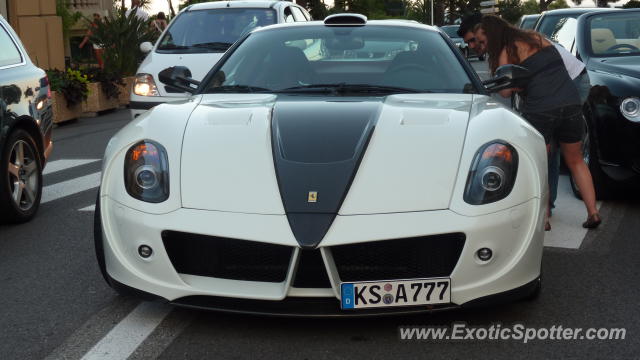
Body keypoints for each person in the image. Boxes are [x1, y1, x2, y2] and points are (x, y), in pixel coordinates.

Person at [459, 13, 592, 216]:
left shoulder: (505, 51)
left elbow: (504, 90)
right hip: (571, 100)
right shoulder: (538, 38)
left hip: (543, 109)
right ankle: (593, 212)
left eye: (481, 41)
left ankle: (544, 215)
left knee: (541, 163)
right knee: (576, 160)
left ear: (492, 35)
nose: (478, 45)